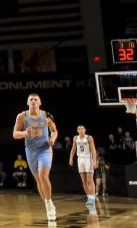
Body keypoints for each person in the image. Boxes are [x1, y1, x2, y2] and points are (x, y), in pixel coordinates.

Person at [12, 93, 58, 221]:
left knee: (43, 175)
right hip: (31, 151)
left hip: (45, 149)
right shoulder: (22, 116)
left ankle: (49, 204)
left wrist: (52, 139)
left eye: (35, 99)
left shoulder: (46, 115)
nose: (33, 101)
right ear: (27, 102)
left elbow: (54, 130)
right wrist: (24, 133)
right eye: (30, 99)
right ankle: (46, 203)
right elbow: (15, 134)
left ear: (40, 102)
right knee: (38, 180)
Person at [69, 125, 98, 208]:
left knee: (90, 180)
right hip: (80, 159)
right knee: (84, 181)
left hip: (88, 158)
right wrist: (71, 158)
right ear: (77, 130)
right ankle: (89, 197)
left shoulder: (89, 138)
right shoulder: (75, 138)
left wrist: (95, 161)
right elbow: (73, 149)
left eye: (82, 129)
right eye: (79, 129)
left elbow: (93, 150)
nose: (80, 130)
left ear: (85, 130)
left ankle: (92, 198)